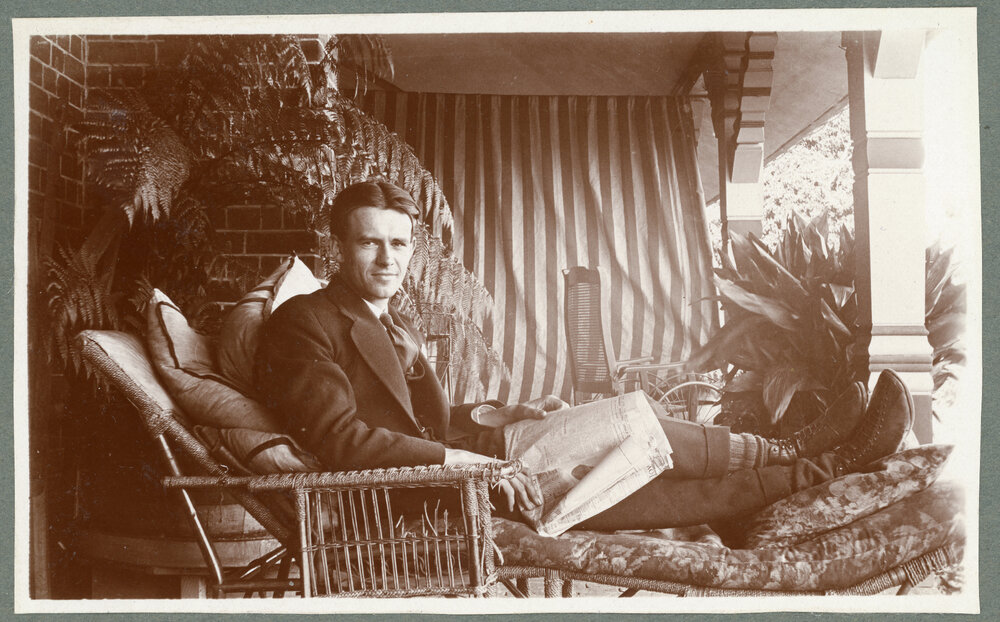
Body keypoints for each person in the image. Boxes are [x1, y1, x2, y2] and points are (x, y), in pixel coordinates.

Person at [255, 180, 914, 530]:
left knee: (623, 415)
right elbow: (342, 440)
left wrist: (505, 410)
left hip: (479, 458)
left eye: (399, 245)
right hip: (421, 495)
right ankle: (820, 464)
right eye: (370, 244)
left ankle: (792, 452)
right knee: (627, 465)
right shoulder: (304, 321)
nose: (387, 260)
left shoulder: (386, 317)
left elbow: (418, 416)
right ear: (337, 246)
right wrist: (467, 464)